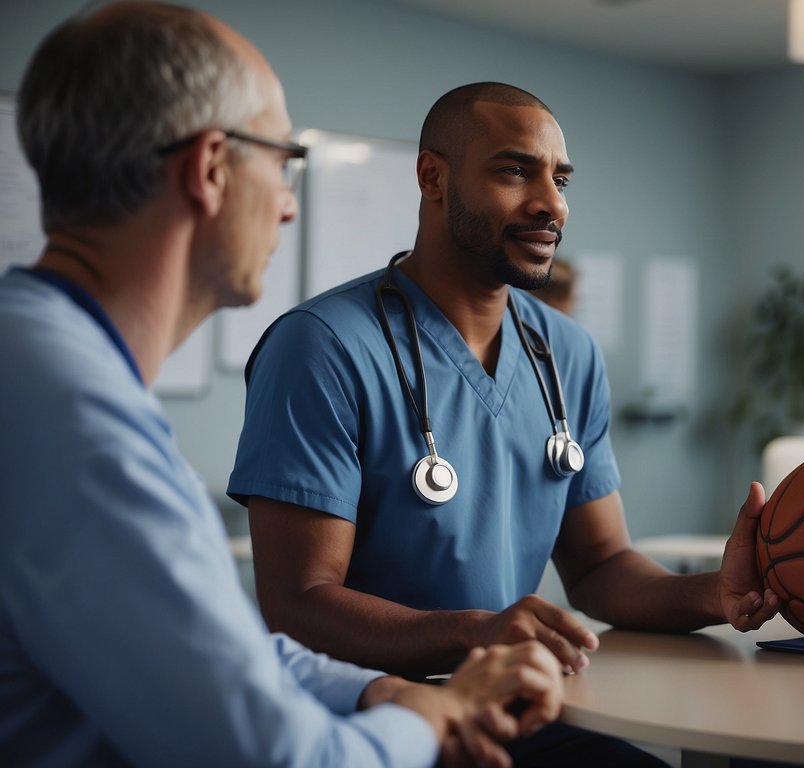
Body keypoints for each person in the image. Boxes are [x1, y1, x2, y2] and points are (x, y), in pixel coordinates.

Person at [228, 81, 804, 763]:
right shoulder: (323, 347)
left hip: (518, 704)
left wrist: (729, 589)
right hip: (373, 723)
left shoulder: (567, 353)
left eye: (561, 179)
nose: (552, 204)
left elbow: (601, 569)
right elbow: (298, 604)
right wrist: (470, 632)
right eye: (516, 172)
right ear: (433, 179)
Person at [0, 5, 565, 766]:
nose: (290, 204)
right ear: (208, 169)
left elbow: (219, 650)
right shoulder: (78, 424)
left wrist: (380, 693)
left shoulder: (42, 362)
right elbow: (284, 758)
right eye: (282, 159)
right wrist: (439, 715)